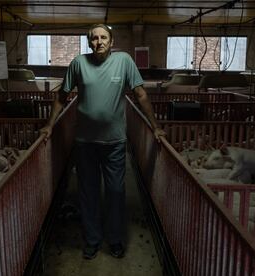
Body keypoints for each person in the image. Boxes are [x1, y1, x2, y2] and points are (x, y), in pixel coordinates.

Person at [40, 23, 166, 260]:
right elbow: (61, 96)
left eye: (103, 37)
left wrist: (155, 126)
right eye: (94, 38)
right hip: (85, 142)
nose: (99, 41)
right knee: (88, 193)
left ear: (112, 41)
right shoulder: (78, 63)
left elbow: (141, 95)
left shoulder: (124, 61)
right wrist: (49, 125)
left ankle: (115, 239)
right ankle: (92, 240)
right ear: (89, 43)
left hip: (114, 142)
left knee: (116, 192)